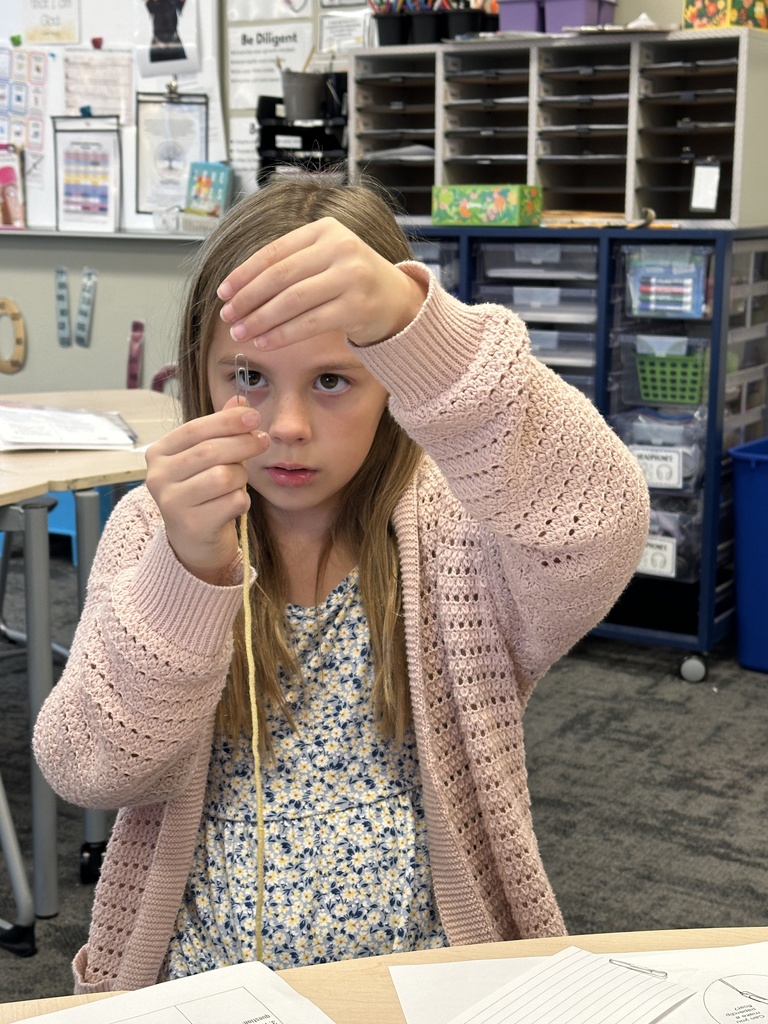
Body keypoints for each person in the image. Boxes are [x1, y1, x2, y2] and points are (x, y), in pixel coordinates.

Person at [33, 175, 649, 994]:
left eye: (332, 381)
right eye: (247, 376)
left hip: (439, 978)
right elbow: (92, 767)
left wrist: (423, 329)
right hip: (203, 985)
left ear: (395, 378)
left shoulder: (458, 526)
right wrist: (188, 574)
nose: (285, 426)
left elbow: (597, 522)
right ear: (200, 373)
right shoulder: (159, 528)